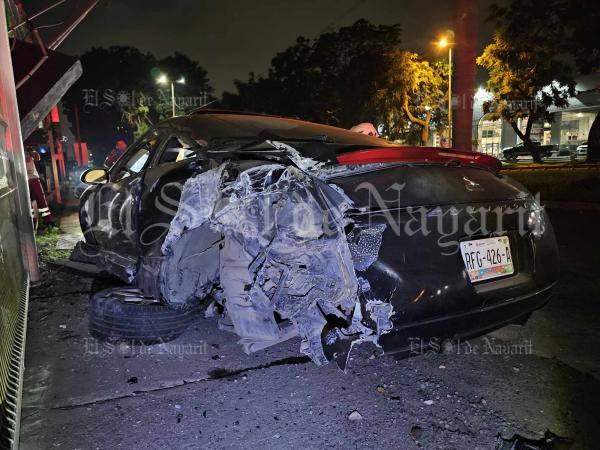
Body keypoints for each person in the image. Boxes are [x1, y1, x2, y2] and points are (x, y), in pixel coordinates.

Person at [26, 147, 54, 227]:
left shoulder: (28, 151)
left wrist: (31, 151)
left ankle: (47, 220)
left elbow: (37, 157)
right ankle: (33, 221)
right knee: (29, 201)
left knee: (40, 199)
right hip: (24, 180)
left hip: (33, 178)